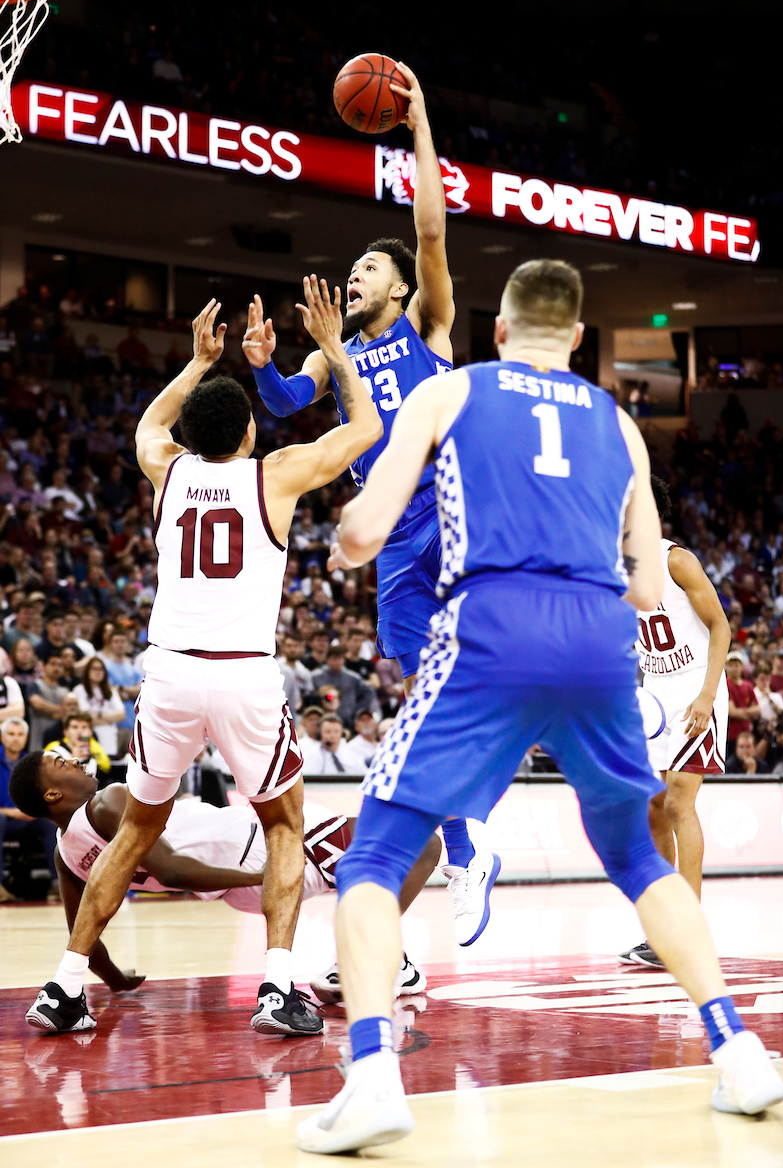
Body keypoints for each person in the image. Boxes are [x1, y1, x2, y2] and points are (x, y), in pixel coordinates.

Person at [295, 259, 783, 1154]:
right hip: (599, 638)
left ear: (498, 332)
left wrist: (345, 541)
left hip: (490, 627)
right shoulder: (622, 426)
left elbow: (368, 526)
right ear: (577, 336)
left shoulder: (452, 392)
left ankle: (371, 1076)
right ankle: (740, 1051)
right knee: (639, 854)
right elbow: (646, 588)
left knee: (372, 856)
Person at [25, 281, 382, 1040]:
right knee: (286, 825)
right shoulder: (274, 475)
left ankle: (64, 985)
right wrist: (335, 351)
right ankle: (278, 986)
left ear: (192, 435)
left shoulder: (170, 469)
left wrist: (195, 361)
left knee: (134, 830)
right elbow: (363, 433)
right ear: (249, 432)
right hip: (244, 672)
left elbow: (149, 425)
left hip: (170, 673)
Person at [244, 64, 497, 935]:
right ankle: (469, 850)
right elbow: (283, 406)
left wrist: (420, 123)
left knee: (463, 668)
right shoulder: (340, 349)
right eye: (350, 269)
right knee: (420, 678)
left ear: (398, 286)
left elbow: (429, 230)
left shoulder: (427, 323)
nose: (352, 278)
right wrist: (264, 361)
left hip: (451, 498)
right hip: (386, 524)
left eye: (365, 269)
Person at [8, 748, 434, 995]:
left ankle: (384, 957)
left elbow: (81, 933)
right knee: (422, 846)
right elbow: (173, 870)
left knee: (376, 862)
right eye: (63, 765)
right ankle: (367, 960)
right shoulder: (108, 801)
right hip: (262, 854)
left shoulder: (67, 855)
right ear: (52, 793)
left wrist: (118, 982)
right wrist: (266, 876)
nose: (78, 761)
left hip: (235, 884)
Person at [619, 477, 730, 969]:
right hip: (658, 694)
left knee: (681, 803)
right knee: (652, 808)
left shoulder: (676, 560)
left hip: (694, 688)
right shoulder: (621, 569)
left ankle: (688, 929)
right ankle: (663, 926)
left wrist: (708, 694)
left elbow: (721, 626)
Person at [0, 717, 57, 902]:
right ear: (2, 737)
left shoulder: (33, 765)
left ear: (26, 738)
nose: (15, 738)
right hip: (4, 819)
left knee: (49, 822)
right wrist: (9, 812)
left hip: (26, 819)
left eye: (20, 734)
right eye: (11, 734)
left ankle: (58, 884)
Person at [72, 656, 126, 758]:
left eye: (100, 669)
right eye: (94, 668)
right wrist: (109, 719)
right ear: (87, 671)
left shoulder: (111, 691)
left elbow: (121, 714)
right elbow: (86, 717)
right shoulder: (79, 690)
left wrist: (99, 716)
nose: (97, 672)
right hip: (89, 737)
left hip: (110, 737)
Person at [44, 710, 110, 780]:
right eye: (75, 727)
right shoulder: (54, 753)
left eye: (84, 727)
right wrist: (73, 760)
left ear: (90, 732)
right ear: (65, 732)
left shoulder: (94, 756)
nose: (79, 732)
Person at [301, 715, 366, 775]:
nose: (332, 736)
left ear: (341, 734)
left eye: (336, 732)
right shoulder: (309, 758)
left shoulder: (353, 755)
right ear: (320, 734)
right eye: (328, 732)